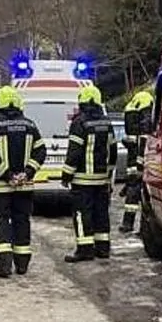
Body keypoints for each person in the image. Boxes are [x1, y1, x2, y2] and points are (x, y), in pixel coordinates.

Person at [0, 86, 46, 278]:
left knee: (1, 221)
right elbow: (40, 152)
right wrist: (26, 173)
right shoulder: (30, 125)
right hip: (24, 186)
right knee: (22, 221)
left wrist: (8, 176)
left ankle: (4, 266)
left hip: (0, 186)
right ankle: (22, 265)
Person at [61, 84, 117, 262]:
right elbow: (113, 151)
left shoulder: (79, 123)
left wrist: (66, 174)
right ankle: (103, 248)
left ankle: (85, 250)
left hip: (82, 180)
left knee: (82, 213)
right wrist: (108, 175)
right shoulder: (107, 123)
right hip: (101, 180)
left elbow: (75, 152)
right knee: (101, 213)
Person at [118, 90, 154, 233]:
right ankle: (143, 228)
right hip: (140, 164)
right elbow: (141, 143)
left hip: (134, 164)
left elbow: (135, 143)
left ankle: (130, 224)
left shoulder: (132, 108)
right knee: (144, 197)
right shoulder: (145, 106)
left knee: (135, 196)